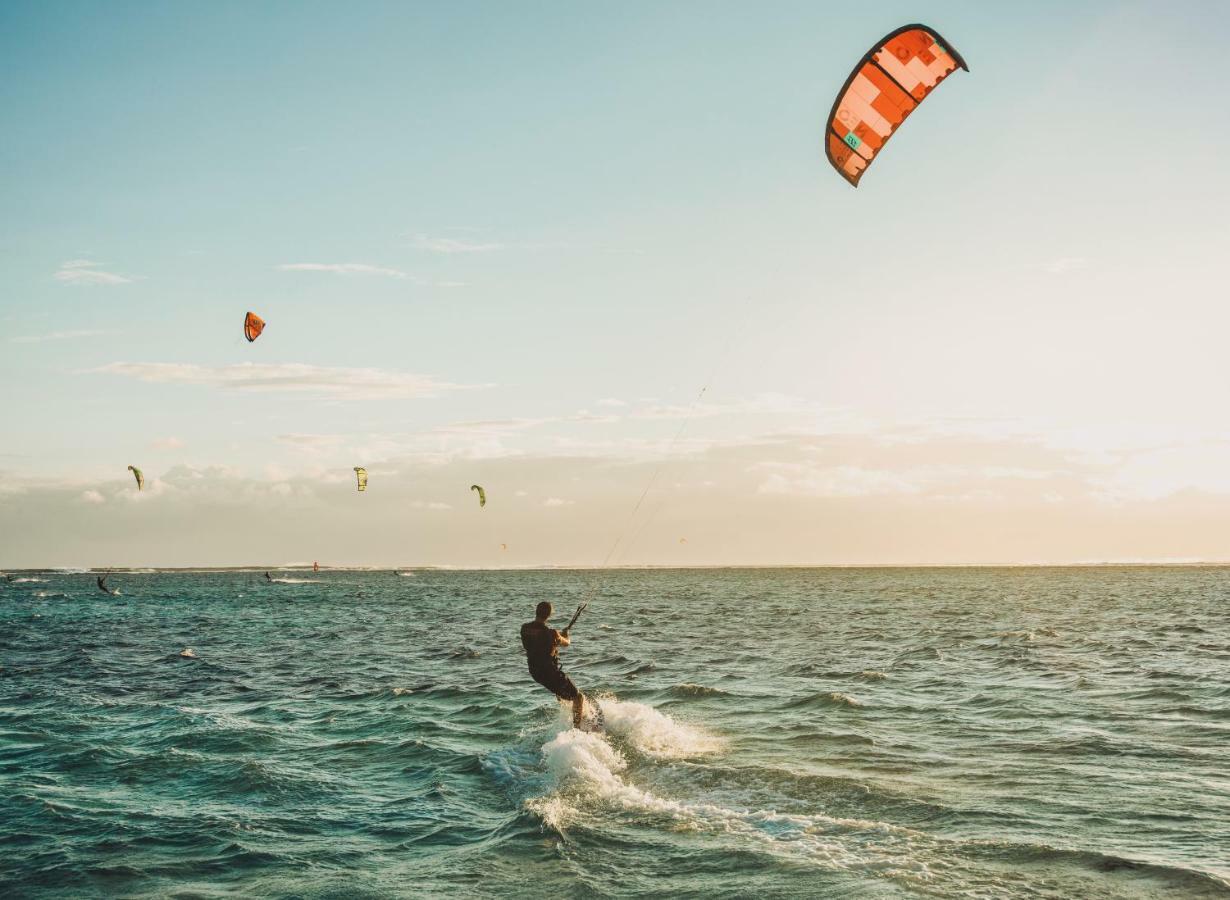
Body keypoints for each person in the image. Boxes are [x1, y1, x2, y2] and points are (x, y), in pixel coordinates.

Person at [520, 601, 585, 728]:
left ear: (536, 612)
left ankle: (569, 714)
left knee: (558, 690)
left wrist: (558, 637)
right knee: (578, 697)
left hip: (535, 672)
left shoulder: (525, 628)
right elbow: (566, 643)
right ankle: (577, 728)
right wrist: (566, 635)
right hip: (549, 672)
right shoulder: (552, 633)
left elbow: (538, 643)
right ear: (549, 615)